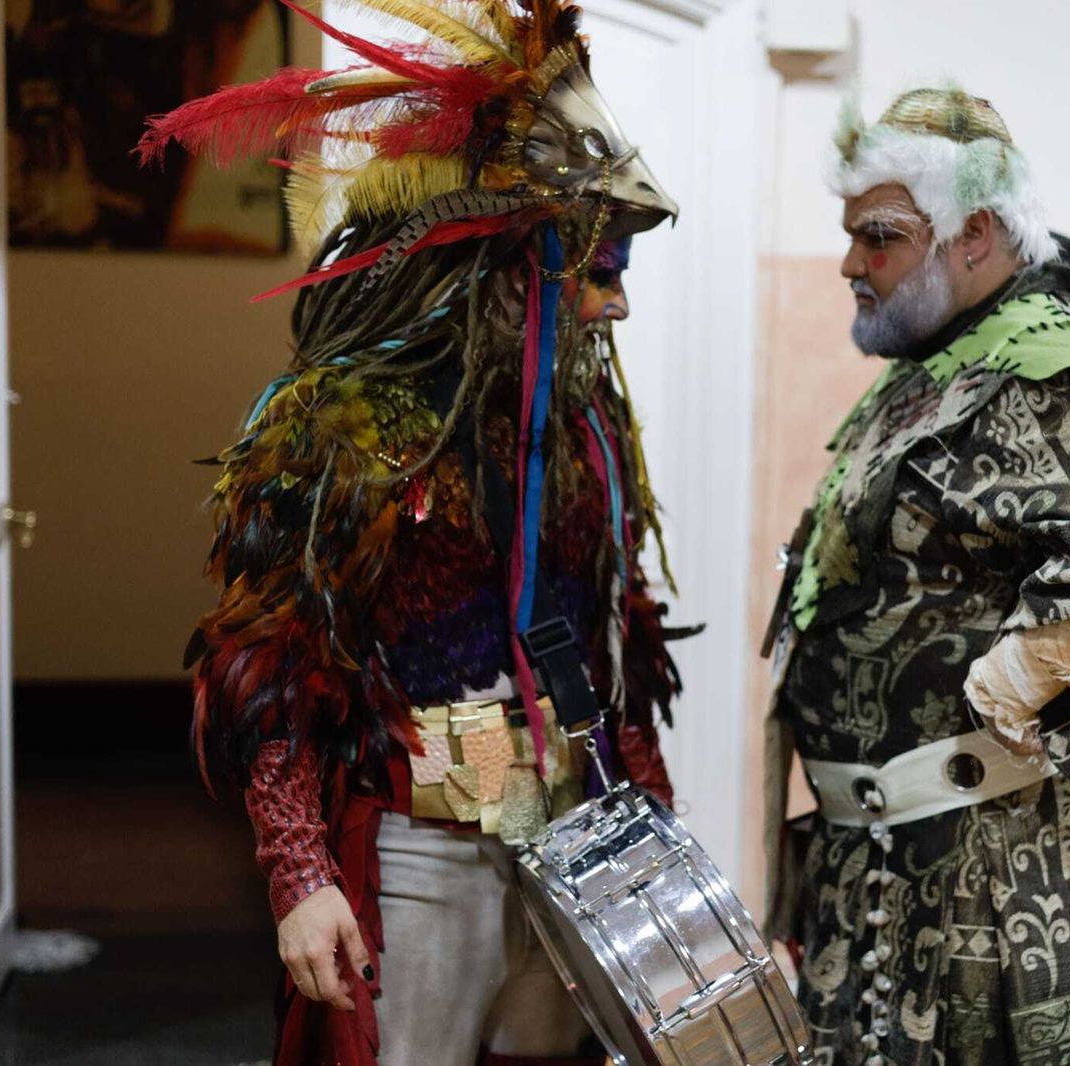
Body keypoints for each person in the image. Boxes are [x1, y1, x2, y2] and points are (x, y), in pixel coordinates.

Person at [139, 4, 688, 1064]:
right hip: (420, 850)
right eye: (599, 269)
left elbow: (615, 631)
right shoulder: (345, 427)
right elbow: (270, 670)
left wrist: (648, 823)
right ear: (509, 264)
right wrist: (300, 875)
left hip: (572, 839)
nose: (614, 306)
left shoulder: (586, 427)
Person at [760, 87, 1070, 1065]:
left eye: (878, 237)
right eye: (852, 236)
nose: (851, 263)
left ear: (970, 233)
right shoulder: (938, 361)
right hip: (883, 869)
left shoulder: (1042, 363)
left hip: (983, 883)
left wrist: (1025, 671)